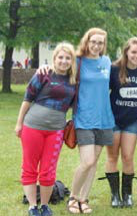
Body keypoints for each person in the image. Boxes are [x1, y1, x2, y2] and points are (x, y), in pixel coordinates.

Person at [15, 43, 76, 216]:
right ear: (54, 58)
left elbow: (75, 106)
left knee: (49, 170)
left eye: (67, 58)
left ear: (72, 61)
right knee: (30, 166)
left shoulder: (74, 81)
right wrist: (19, 123)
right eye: (60, 57)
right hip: (32, 126)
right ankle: (33, 206)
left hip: (56, 130)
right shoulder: (43, 74)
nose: (64, 61)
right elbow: (27, 98)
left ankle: (45, 205)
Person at [65, 28, 115, 214]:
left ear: (104, 45)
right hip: (84, 119)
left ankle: (83, 199)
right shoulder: (77, 61)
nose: (96, 45)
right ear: (87, 41)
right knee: (87, 161)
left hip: (105, 119)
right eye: (93, 41)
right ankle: (73, 197)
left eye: (100, 43)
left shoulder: (107, 62)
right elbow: (59, 69)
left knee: (94, 163)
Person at [104, 37, 137, 208]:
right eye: (133, 52)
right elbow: (101, 89)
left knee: (128, 156)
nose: (136, 55)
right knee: (112, 156)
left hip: (131, 121)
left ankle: (127, 195)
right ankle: (115, 195)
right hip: (113, 120)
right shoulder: (114, 69)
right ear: (126, 52)